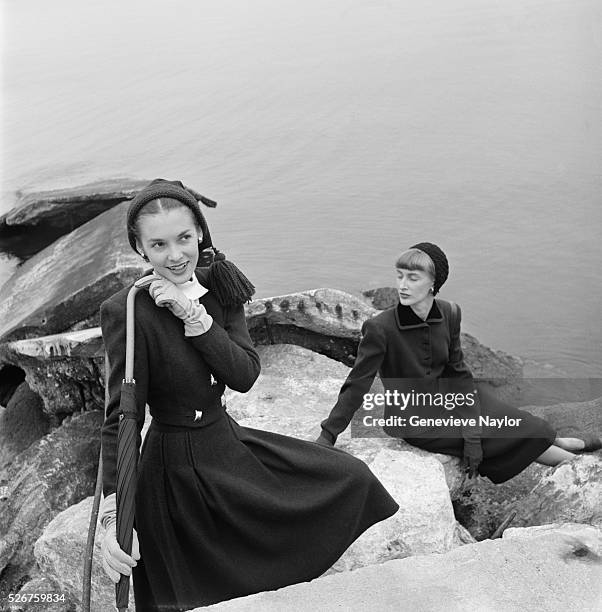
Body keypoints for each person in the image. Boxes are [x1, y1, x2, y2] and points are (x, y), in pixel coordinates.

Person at [99, 179, 399, 612]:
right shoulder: (127, 310)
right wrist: (114, 515)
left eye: (184, 238)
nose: (176, 255)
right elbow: (120, 419)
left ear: (200, 232)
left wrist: (194, 317)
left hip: (226, 442)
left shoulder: (220, 286)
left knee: (348, 478)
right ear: (140, 249)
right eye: (159, 244)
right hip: (172, 470)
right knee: (191, 592)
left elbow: (244, 375)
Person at [316, 242, 601, 483]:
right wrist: (328, 434)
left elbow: (458, 371)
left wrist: (471, 432)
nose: (402, 285)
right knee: (511, 435)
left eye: (413, 278)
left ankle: (565, 443)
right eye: (400, 276)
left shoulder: (450, 313)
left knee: (523, 423)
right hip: (416, 419)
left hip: (454, 399)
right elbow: (358, 383)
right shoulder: (380, 327)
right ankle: (581, 470)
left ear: (433, 282)